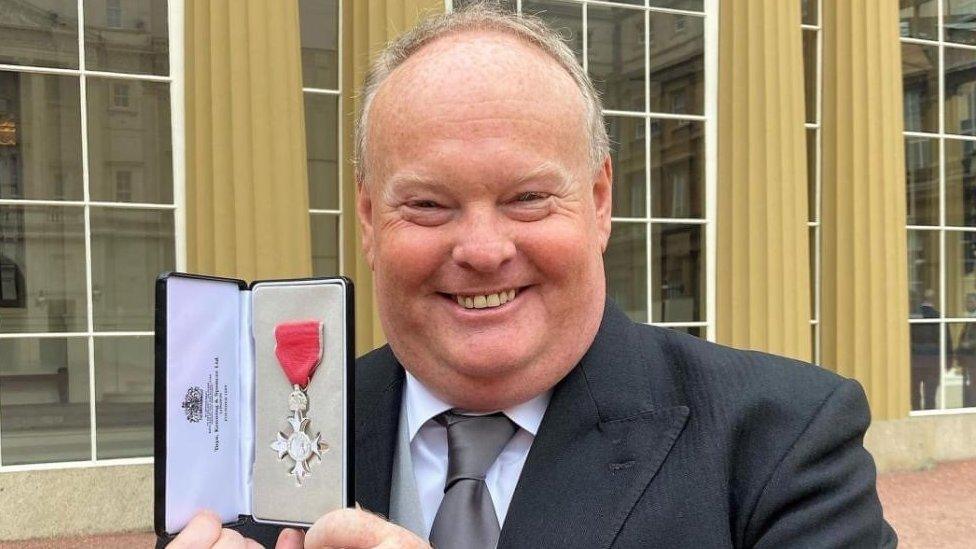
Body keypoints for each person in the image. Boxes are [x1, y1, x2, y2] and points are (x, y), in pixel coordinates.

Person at [168, 4, 896, 548]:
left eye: (527, 198)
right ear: (366, 216)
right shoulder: (251, 448)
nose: (483, 248)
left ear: (600, 200)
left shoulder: (782, 441)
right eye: (428, 204)